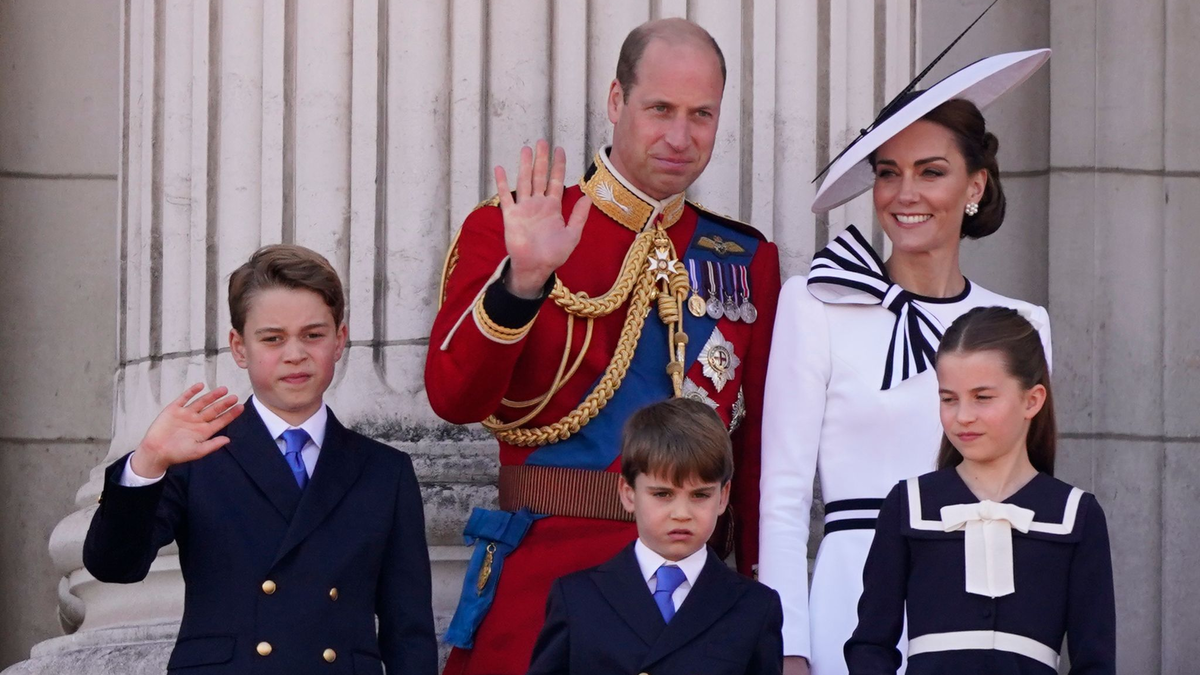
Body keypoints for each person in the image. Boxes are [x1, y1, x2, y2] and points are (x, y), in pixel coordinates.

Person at [426, 18, 781, 674]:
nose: (681, 136)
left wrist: (761, 595)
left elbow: (758, 455)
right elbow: (453, 395)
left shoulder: (744, 258)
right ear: (617, 103)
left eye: (701, 114)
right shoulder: (516, 224)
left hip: (691, 603)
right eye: (660, 110)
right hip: (541, 591)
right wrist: (524, 280)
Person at [757, 48, 1054, 675]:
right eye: (888, 172)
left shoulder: (1023, 326)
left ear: (975, 185)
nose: (905, 193)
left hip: (984, 601)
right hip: (850, 600)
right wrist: (789, 648)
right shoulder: (815, 303)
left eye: (931, 171)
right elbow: (782, 496)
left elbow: (1035, 497)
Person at [83, 245, 437, 674]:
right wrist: (147, 461)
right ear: (239, 347)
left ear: (340, 340)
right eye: (272, 338)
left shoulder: (385, 471)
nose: (294, 354)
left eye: (313, 334)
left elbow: (408, 632)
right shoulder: (197, 455)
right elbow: (115, 565)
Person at [845, 306, 1115, 673]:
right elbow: (870, 644)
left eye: (982, 397)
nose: (963, 416)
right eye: (948, 399)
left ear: (1032, 400)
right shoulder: (908, 505)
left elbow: (1095, 662)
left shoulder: (1075, 514)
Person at [527, 398, 783, 675]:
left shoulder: (755, 607)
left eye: (700, 495)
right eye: (663, 494)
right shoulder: (577, 598)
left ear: (723, 497)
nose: (682, 513)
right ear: (628, 494)